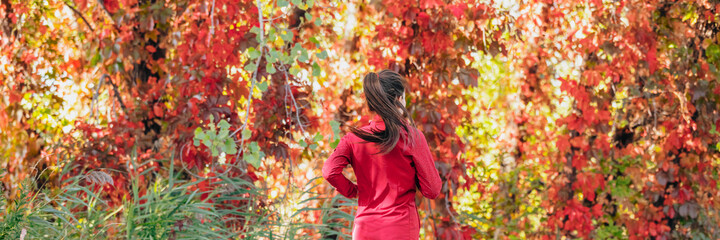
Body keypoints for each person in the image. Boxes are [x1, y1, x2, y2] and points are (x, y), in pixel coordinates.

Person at [322, 70, 442, 240]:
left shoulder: (354, 138)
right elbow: (433, 190)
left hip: (364, 230)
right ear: (399, 99)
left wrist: (353, 191)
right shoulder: (411, 136)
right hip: (400, 229)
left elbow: (329, 170)